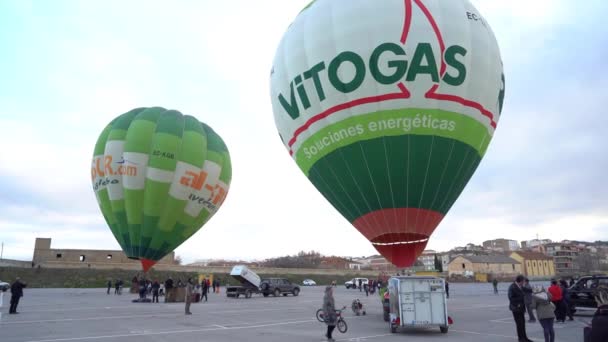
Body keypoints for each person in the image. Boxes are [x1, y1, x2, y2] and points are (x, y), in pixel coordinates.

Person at [508, 275, 532, 342]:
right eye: (523, 281)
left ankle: (525, 338)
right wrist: (519, 301)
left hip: (521, 308)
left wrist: (535, 290)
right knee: (519, 324)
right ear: (520, 281)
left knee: (523, 323)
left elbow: (527, 290)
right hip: (516, 308)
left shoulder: (520, 286)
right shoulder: (512, 287)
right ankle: (521, 339)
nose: (524, 282)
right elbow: (511, 298)